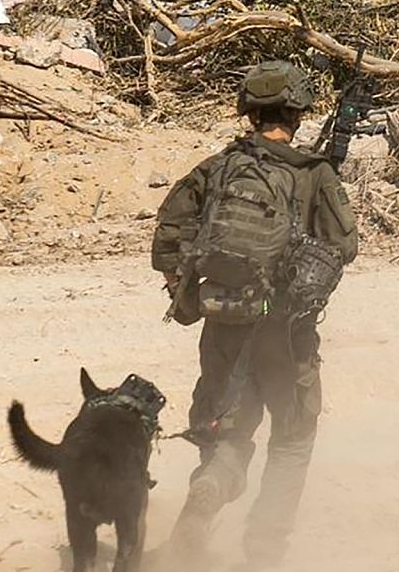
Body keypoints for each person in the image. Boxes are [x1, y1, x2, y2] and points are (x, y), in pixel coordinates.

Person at [152, 61, 358, 567]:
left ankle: (211, 486)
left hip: (226, 324)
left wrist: (189, 287)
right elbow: (345, 244)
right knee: (291, 439)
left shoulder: (217, 168)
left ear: (249, 111)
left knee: (229, 434)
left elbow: (167, 238)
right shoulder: (313, 174)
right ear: (297, 111)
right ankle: (265, 551)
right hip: (288, 335)